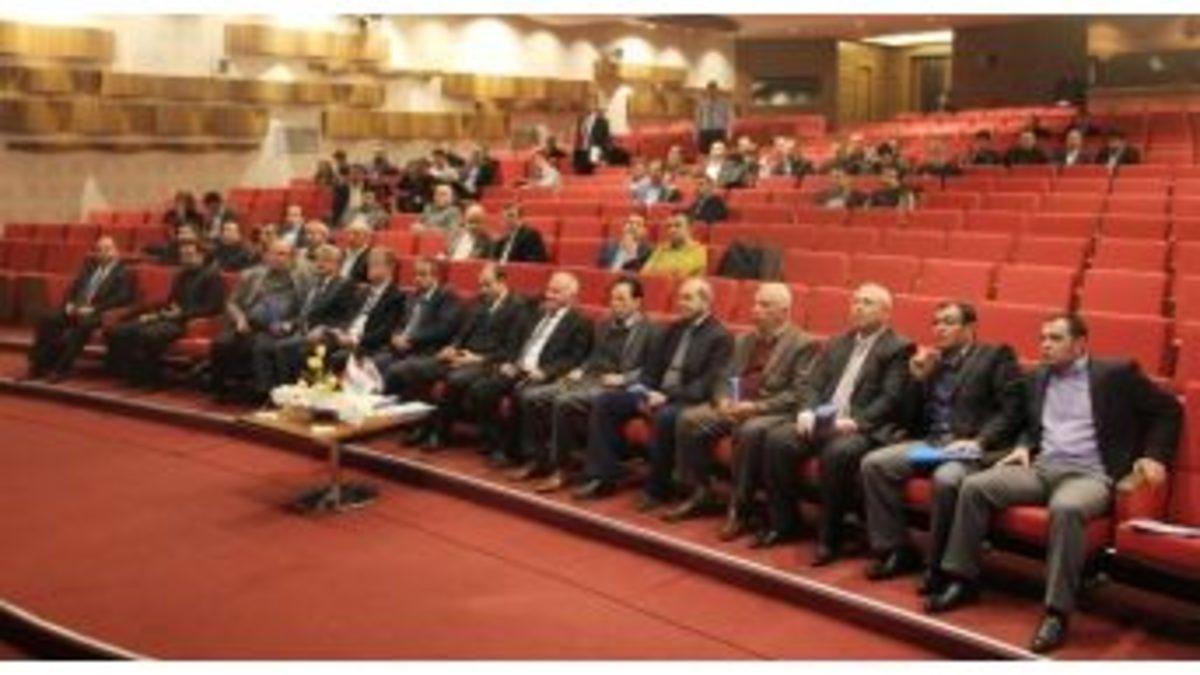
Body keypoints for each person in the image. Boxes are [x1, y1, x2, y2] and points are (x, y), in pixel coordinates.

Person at [927, 314, 1181, 654]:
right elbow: (1028, 424)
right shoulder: (1038, 377)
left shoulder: (1116, 374)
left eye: (1056, 338)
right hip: (1042, 469)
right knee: (975, 487)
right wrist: (1023, 446)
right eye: (1043, 338)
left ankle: (1056, 612)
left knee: (1066, 507)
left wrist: (1155, 456)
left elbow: (1168, 410)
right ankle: (962, 579)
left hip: (1091, 475)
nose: (1045, 345)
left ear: (1080, 344)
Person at [859, 301, 1020, 593]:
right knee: (875, 464)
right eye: (935, 322)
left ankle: (938, 567)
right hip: (932, 444)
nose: (939, 328)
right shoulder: (932, 361)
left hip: (970, 449)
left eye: (948, 322)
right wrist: (917, 378)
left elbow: (1010, 412)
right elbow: (910, 416)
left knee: (946, 479)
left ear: (970, 327)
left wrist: (979, 441)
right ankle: (896, 549)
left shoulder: (995, 356)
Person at [754, 284, 914, 562]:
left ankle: (831, 536)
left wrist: (855, 422)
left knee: (837, 453)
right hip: (825, 419)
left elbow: (890, 399)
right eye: (855, 301)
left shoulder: (898, 348)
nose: (858, 307)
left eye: (867, 302)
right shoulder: (838, 342)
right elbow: (814, 384)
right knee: (778, 440)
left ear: (886, 313)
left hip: (863, 427)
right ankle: (784, 523)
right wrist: (806, 411)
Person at [574, 277, 733, 506]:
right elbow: (653, 369)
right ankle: (603, 476)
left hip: (686, 398)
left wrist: (668, 396)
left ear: (706, 301)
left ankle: (658, 489)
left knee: (666, 416)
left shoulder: (719, 336)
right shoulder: (673, 329)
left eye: (688, 298)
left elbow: (707, 383)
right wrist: (644, 389)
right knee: (606, 401)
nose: (681, 303)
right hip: (657, 392)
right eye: (680, 297)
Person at [667, 283, 818, 523]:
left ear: (783, 311)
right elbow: (725, 376)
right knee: (688, 419)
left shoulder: (803, 344)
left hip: (770, 411)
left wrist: (756, 407)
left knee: (748, 431)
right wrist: (723, 399)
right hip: (736, 405)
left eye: (764, 305)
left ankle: (740, 506)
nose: (755, 309)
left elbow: (797, 393)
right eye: (755, 303)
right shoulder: (744, 339)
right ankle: (700, 492)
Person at [513, 277, 660, 493]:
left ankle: (561, 469)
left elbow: (652, 368)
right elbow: (593, 356)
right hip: (589, 378)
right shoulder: (604, 324)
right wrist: (580, 369)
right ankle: (538, 459)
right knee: (533, 397)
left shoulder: (651, 330)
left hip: (615, 386)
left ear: (637, 302)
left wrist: (624, 378)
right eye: (612, 298)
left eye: (621, 299)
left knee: (564, 402)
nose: (615, 304)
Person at [467, 272, 593, 467]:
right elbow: (520, 342)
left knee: (521, 394)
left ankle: (515, 452)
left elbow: (573, 359)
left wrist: (546, 372)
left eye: (556, 292)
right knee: (481, 389)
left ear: (571, 295)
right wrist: (512, 362)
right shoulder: (538, 313)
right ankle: (495, 442)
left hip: (544, 373)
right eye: (548, 290)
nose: (549, 295)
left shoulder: (580, 322)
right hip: (520, 367)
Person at [416, 264, 531, 449]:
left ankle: (440, 433)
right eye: (481, 285)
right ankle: (422, 426)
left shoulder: (518, 307)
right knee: (423, 370)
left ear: (502, 281)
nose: (483, 290)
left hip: (489, 361)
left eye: (487, 285)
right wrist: (453, 347)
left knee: (455, 379)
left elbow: (511, 349)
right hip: (464, 355)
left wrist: (477, 358)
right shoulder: (479, 302)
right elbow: (463, 332)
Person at [104, 240, 225, 388]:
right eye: (183, 255)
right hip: (169, 318)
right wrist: (157, 314)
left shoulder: (212, 277)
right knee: (124, 329)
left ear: (202, 255)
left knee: (148, 334)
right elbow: (171, 302)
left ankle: (150, 378)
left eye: (189, 255)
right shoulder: (181, 275)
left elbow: (212, 308)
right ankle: (131, 374)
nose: (185, 259)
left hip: (188, 323)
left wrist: (180, 314)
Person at [26, 236, 134, 381]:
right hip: (77, 308)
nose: (103, 252)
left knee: (83, 325)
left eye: (107, 249)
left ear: (116, 251)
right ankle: (38, 365)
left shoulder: (123, 272)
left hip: (99, 313)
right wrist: (70, 304)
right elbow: (73, 288)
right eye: (99, 249)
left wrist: (94, 309)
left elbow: (122, 297)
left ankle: (61, 369)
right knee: (48, 319)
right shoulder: (89, 268)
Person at [208, 240, 304, 402]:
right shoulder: (251, 275)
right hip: (246, 324)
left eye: (282, 254)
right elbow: (231, 303)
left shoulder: (300, 281)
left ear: (291, 258)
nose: (276, 258)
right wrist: (240, 319)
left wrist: (290, 324)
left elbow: (305, 311)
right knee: (220, 343)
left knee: (259, 346)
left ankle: (260, 392)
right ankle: (219, 390)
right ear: (267, 256)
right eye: (273, 253)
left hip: (276, 329)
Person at [262, 244, 358, 389]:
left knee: (284, 348)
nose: (320, 264)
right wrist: (292, 323)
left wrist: (324, 329)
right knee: (267, 343)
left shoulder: (344, 284)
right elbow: (306, 312)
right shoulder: (316, 283)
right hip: (304, 330)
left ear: (337, 265)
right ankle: (278, 391)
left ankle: (292, 392)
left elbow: (346, 318)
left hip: (327, 334)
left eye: (326, 260)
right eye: (318, 260)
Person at [311, 248, 405, 373]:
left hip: (367, 344)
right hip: (346, 336)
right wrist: (338, 330)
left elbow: (384, 331)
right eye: (369, 264)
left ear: (390, 268)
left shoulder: (396, 296)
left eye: (375, 263)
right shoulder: (363, 292)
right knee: (312, 342)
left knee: (337, 357)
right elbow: (348, 318)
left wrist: (354, 340)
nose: (370, 268)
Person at [378, 257, 464, 386]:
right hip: (402, 350)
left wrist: (410, 339)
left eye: (422, 274)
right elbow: (401, 322)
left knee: (396, 370)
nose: (417, 278)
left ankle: (377, 397)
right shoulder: (413, 296)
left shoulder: (446, 297)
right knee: (375, 362)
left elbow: (443, 329)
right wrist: (395, 336)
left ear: (435, 277)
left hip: (426, 352)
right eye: (416, 274)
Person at [642, 215, 707, 278]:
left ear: (689, 229)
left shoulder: (698, 250)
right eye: (669, 226)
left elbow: (683, 275)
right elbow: (644, 274)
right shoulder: (661, 249)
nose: (672, 230)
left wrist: (659, 272)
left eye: (677, 225)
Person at [695, 81, 733, 154]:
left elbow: (728, 118)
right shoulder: (702, 104)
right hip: (705, 131)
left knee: (718, 152)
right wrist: (696, 133)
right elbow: (698, 119)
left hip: (719, 131)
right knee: (704, 152)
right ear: (707, 91)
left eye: (713, 90)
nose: (712, 92)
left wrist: (729, 132)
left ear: (717, 90)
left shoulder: (723, 103)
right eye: (710, 90)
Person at [574, 106, 612, 175]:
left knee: (594, 153)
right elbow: (580, 133)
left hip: (597, 145)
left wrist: (604, 145)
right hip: (585, 145)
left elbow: (606, 135)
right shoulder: (582, 120)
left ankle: (593, 165)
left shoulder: (603, 122)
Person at [339, 218, 374, 284]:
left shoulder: (370, 256)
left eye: (356, 234)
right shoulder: (342, 253)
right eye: (349, 234)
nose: (351, 237)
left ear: (366, 237)